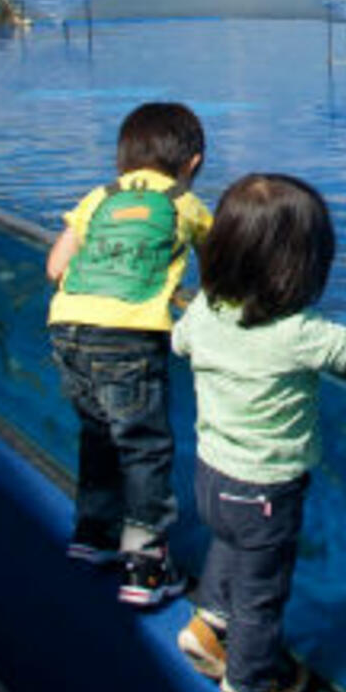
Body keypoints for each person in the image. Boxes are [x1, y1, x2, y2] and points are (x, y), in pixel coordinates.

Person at [171, 174, 346, 692]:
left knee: (227, 551)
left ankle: (207, 629)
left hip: (211, 475)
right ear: (302, 267)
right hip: (265, 490)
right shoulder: (298, 333)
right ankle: (250, 688)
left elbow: (180, 342)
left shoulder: (205, 311)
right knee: (262, 593)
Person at [44, 102, 212, 606]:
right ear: (194, 163)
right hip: (129, 338)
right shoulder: (187, 204)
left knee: (98, 436)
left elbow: (56, 266)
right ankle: (146, 565)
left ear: (123, 158)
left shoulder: (99, 196)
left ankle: (93, 537)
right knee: (144, 450)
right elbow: (226, 272)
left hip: (68, 330)